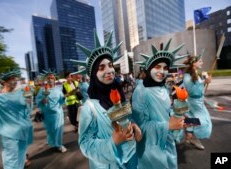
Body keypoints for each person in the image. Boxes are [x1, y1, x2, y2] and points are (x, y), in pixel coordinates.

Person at [70, 31, 142, 168]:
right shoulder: (90, 107)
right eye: (101, 68)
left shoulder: (120, 95)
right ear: (93, 75)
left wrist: (133, 125)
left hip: (131, 159)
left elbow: (127, 119)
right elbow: (85, 144)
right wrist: (112, 142)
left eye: (110, 65)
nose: (109, 70)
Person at [132, 39, 188, 169]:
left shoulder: (163, 87)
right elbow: (140, 127)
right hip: (151, 149)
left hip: (168, 143)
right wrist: (168, 125)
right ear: (149, 68)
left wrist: (178, 117)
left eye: (165, 68)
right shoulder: (141, 91)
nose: (162, 71)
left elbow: (167, 112)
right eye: (157, 67)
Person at [0, 69, 33, 169]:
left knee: (20, 158)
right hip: (8, 134)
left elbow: (28, 112)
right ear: (4, 81)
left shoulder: (22, 93)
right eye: (11, 79)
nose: (14, 81)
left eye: (15, 79)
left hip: (22, 131)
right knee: (10, 161)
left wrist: (29, 101)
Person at [182, 51, 212, 150]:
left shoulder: (196, 73)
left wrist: (205, 81)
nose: (202, 63)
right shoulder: (187, 76)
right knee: (203, 122)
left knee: (204, 120)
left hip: (199, 102)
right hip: (194, 102)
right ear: (193, 63)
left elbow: (199, 88)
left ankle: (190, 133)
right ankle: (189, 131)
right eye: (200, 61)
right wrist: (204, 83)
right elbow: (192, 90)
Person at [36, 70, 67, 153]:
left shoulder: (58, 89)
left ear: (54, 78)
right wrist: (42, 101)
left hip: (57, 113)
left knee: (58, 129)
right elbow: (38, 101)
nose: (50, 79)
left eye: (52, 77)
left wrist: (64, 98)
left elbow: (61, 100)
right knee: (50, 130)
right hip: (47, 114)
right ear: (46, 79)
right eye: (48, 77)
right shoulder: (42, 90)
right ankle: (53, 142)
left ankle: (59, 145)